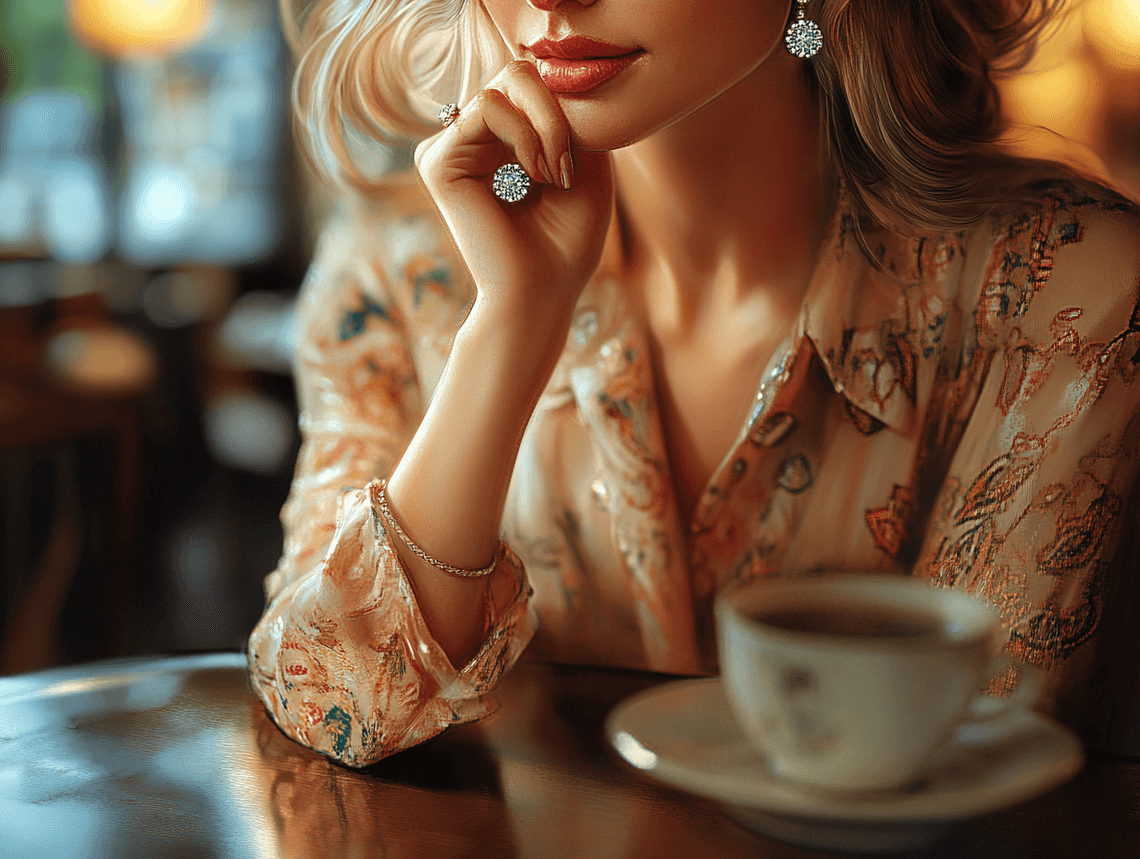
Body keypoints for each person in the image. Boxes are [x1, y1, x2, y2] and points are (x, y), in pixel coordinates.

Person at [248, 0, 1140, 767]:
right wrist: (513, 324)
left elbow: (974, 781)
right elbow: (330, 704)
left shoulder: (1061, 296)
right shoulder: (396, 277)